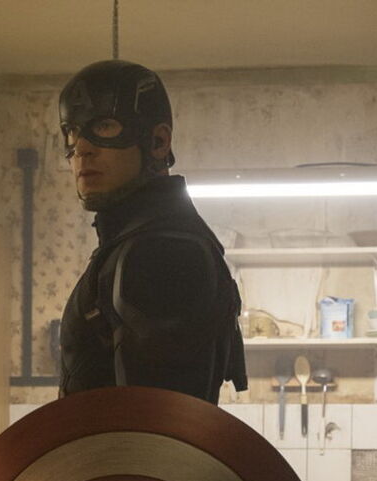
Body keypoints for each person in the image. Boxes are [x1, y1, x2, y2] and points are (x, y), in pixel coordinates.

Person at [57, 60, 248, 403]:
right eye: (72, 131)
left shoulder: (160, 252)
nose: (82, 147)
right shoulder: (138, 242)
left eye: (104, 125)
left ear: (158, 142)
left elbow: (154, 421)